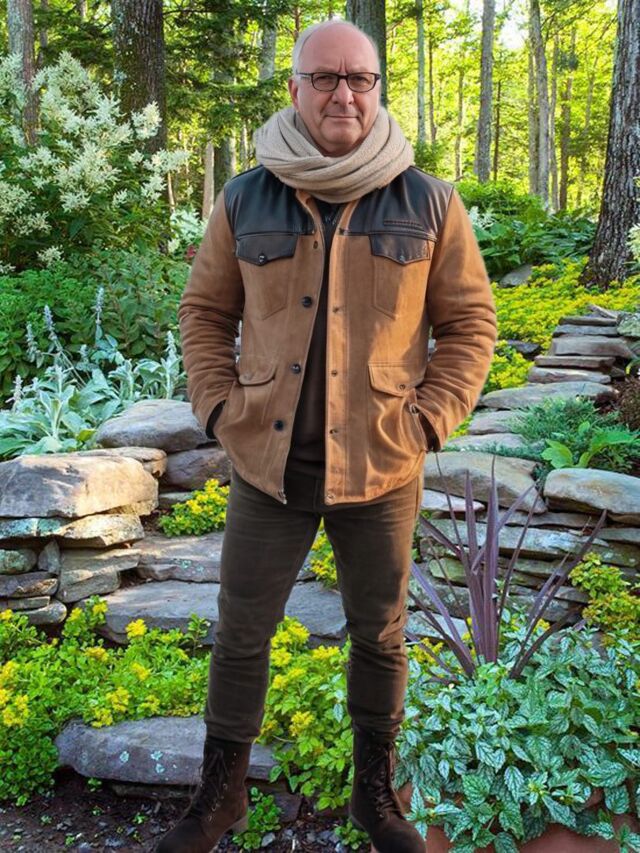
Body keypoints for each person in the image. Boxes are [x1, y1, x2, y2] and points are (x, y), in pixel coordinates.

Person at [156, 18, 497, 853]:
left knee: (381, 633)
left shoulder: (428, 201)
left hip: (382, 462)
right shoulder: (247, 197)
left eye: (360, 78)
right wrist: (218, 408)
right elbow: (204, 312)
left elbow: (470, 323)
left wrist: (429, 417)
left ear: (376, 89)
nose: (344, 93)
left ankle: (374, 794)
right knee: (241, 632)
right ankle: (220, 795)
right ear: (296, 89)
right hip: (266, 464)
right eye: (325, 78)